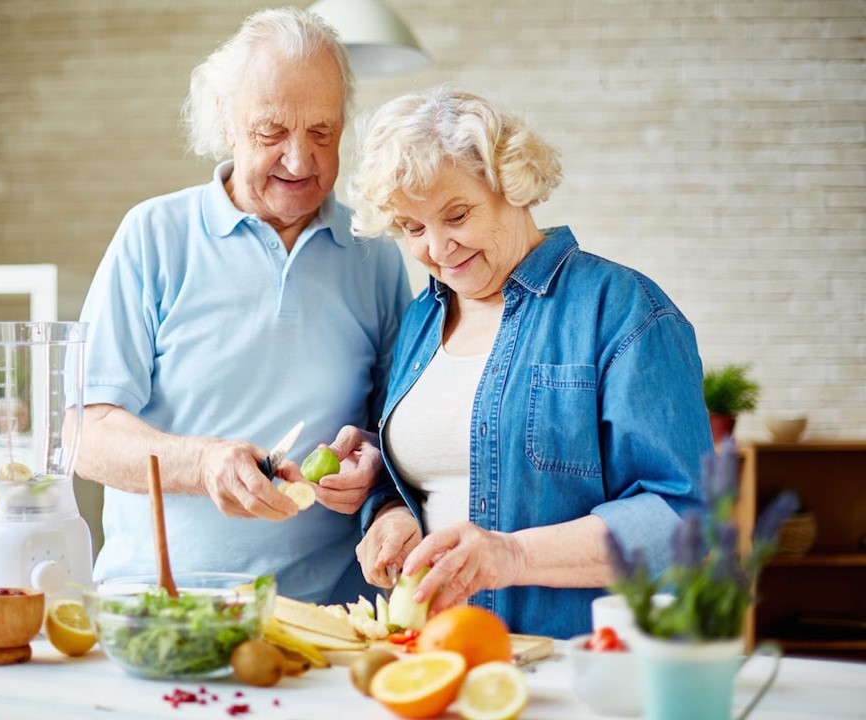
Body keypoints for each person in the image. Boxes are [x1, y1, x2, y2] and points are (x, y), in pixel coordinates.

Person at [74, 8, 411, 604]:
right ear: (226, 123)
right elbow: (86, 433)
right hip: (165, 606)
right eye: (271, 132)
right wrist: (202, 464)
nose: (300, 161)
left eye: (322, 132)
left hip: (328, 616)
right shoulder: (153, 235)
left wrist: (376, 467)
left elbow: (399, 424)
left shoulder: (374, 253)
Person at [347, 88, 711, 638]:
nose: (438, 250)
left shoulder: (623, 310)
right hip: (437, 651)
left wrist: (512, 556)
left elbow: (683, 521)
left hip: (572, 655)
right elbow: (423, 477)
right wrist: (391, 514)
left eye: (456, 215)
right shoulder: (422, 318)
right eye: (413, 228)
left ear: (510, 183)